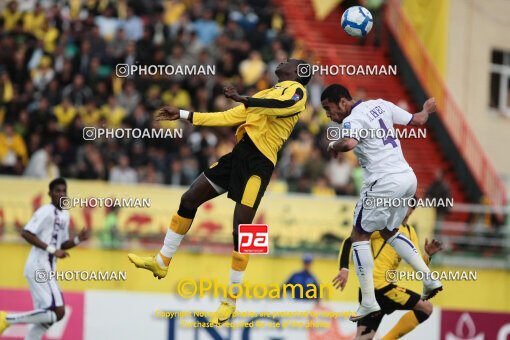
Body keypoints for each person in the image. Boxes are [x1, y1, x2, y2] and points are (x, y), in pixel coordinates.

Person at [128, 58, 311, 325]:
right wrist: (182, 114)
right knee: (189, 198)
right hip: (239, 155)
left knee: (243, 231)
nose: (284, 60)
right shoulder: (264, 94)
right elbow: (228, 116)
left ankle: (231, 300)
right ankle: (162, 260)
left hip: (259, 163)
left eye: (291, 61)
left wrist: (243, 97)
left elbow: (283, 106)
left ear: (297, 72)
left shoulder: (297, 91)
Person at [321, 84, 441, 320]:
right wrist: (426, 109)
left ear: (343, 102)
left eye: (329, 108)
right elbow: (417, 120)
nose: (328, 114)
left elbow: (348, 144)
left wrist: (331, 145)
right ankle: (428, 278)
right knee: (389, 231)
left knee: (359, 235)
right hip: (407, 178)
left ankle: (368, 301)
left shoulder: (352, 119)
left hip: (383, 181)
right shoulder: (380, 104)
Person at [333, 203, 443, 339]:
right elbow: (350, 240)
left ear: (413, 209)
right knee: (426, 308)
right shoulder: (383, 225)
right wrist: (344, 268)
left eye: (410, 205)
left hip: (379, 290)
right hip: (380, 287)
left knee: (362, 338)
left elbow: (418, 264)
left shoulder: (410, 232)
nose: (405, 208)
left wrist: (427, 255)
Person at [0, 178, 89, 339]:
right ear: (50, 194)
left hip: (48, 267)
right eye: (57, 191)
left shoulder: (65, 215)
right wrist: (52, 250)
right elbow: (26, 233)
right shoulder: (45, 211)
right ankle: (6, 318)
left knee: (45, 317)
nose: (61, 194)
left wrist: (77, 240)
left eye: (64, 191)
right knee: (58, 311)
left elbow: (61, 244)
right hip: (39, 265)